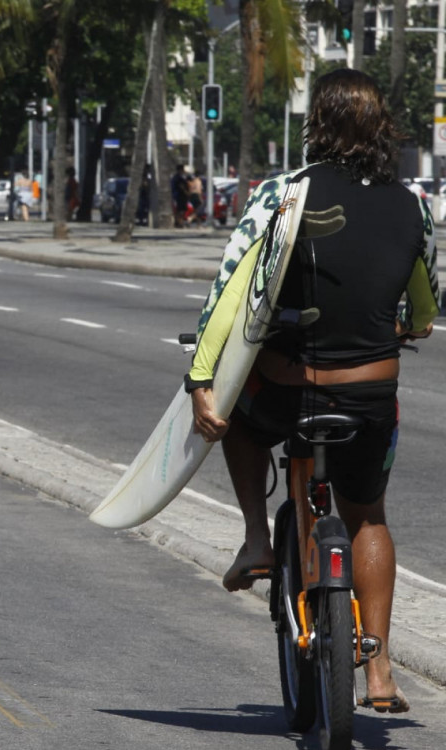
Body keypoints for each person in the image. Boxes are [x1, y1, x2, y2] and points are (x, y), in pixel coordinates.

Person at [188, 69, 437, 714]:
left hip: (289, 391)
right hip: (370, 396)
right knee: (369, 514)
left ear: (316, 125)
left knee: (235, 419)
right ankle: (379, 670)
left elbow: (229, 293)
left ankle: (256, 539)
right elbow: (424, 309)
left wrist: (200, 382)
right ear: (383, 129)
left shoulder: (282, 194)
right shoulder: (415, 205)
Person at [171, 163, 189, 227]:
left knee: (180, 210)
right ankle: (179, 222)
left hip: (178, 195)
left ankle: (178, 222)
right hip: (180, 196)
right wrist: (186, 192)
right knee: (180, 210)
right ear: (180, 170)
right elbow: (181, 186)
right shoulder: (178, 177)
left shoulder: (176, 177)